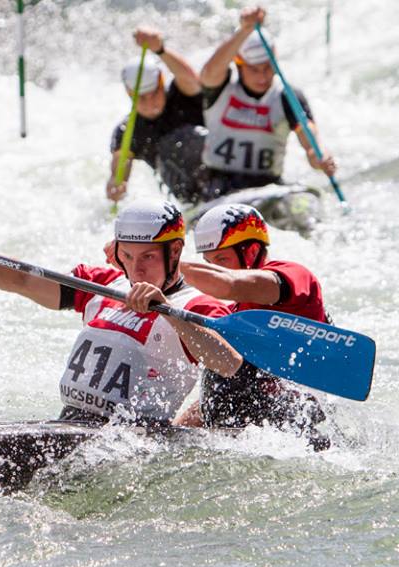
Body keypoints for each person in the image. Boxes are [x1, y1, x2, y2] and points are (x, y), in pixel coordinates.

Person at [0, 200, 243, 428]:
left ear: (174, 252)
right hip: (70, 425)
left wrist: (170, 313)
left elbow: (228, 363)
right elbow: (18, 279)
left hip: (133, 443)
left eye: (147, 257)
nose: (136, 269)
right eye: (128, 256)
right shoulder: (102, 284)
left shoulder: (195, 305)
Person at [178, 203, 329, 447]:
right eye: (208, 262)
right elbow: (230, 383)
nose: (213, 268)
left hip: (297, 431)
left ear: (251, 252)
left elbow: (227, 283)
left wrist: (162, 263)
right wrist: (179, 430)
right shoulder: (233, 312)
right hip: (243, 438)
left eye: (221, 259)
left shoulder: (294, 276)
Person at [199, 6, 337, 200]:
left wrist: (319, 157)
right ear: (239, 64)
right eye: (254, 69)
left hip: (267, 185)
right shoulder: (221, 86)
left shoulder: (288, 96)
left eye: (267, 67)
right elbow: (208, 73)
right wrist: (245, 30)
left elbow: (310, 139)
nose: (262, 76)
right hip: (219, 184)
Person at [107, 27, 205, 204]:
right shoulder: (127, 130)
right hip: (185, 194)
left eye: (154, 93)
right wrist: (116, 182)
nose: (150, 102)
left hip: (216, 173)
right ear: (130, 94)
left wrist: (160, 49)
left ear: (161, 84)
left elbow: (191, 78)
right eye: (142, 97)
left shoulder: (183, 96)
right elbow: (120, 166)